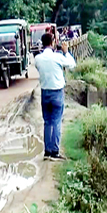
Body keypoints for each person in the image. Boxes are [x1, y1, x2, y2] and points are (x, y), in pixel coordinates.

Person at [34, 32, 75, 161]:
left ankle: (47, 151)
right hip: (57, 92)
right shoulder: (58, 57)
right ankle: (55, 151)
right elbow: (72, 65)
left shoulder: (38, 59)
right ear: (52, 43)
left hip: (45, 92)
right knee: (56, 121)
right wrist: (66, 52)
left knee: (47, 122)